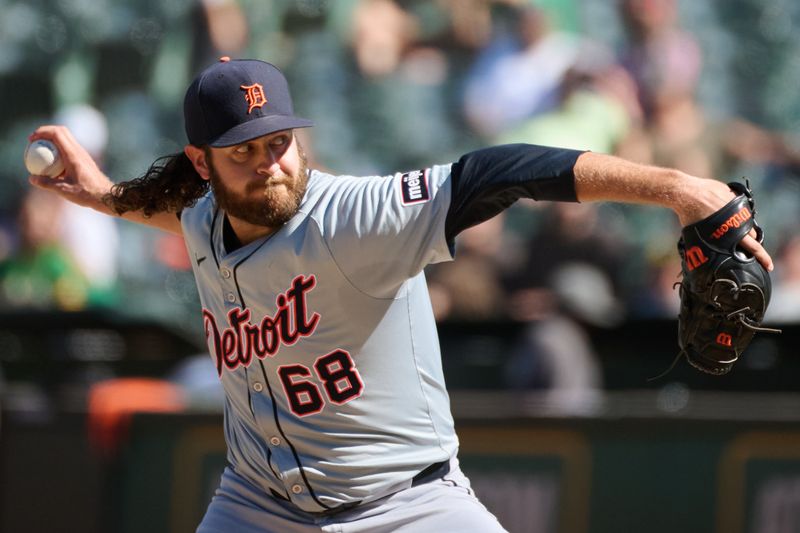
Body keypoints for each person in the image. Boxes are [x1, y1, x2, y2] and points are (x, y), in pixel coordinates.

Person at [27, 57, 773, 533]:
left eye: (279, 141)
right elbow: (177, 209)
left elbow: (503, 171)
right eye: (244, 152)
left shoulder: (355, 217)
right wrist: (100, 196)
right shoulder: (203, 217)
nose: (271, 165)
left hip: (406, 506)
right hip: (257, 505)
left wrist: (679, 188)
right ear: (203, 161)